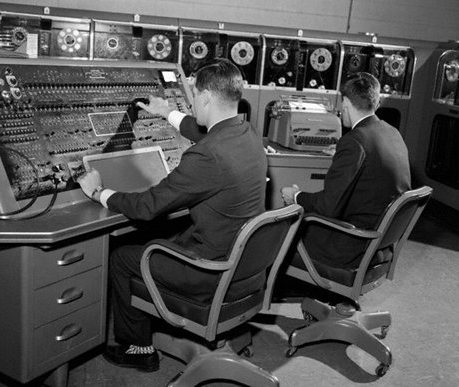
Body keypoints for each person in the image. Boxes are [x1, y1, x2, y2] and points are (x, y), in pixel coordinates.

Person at [77, 58, 267, 372]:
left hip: (209, 269)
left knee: (123, 257)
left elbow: (146, 207)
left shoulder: (206, 155)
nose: (192, 103)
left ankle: (138, 347)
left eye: (193, 97)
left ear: (205, 97)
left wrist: (99, 193)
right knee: (164, 237)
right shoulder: (246, 133)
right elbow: (204, 131)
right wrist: (167, 112)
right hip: (247, 265)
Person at [281, 72, 411, 268]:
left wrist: (296, 196)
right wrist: (345, 155)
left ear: (347, 103)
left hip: (353, 243)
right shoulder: (392, 133)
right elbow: (372, 164)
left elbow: (328, 207)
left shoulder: (354, 142)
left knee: (277, 232)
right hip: (381, 241)